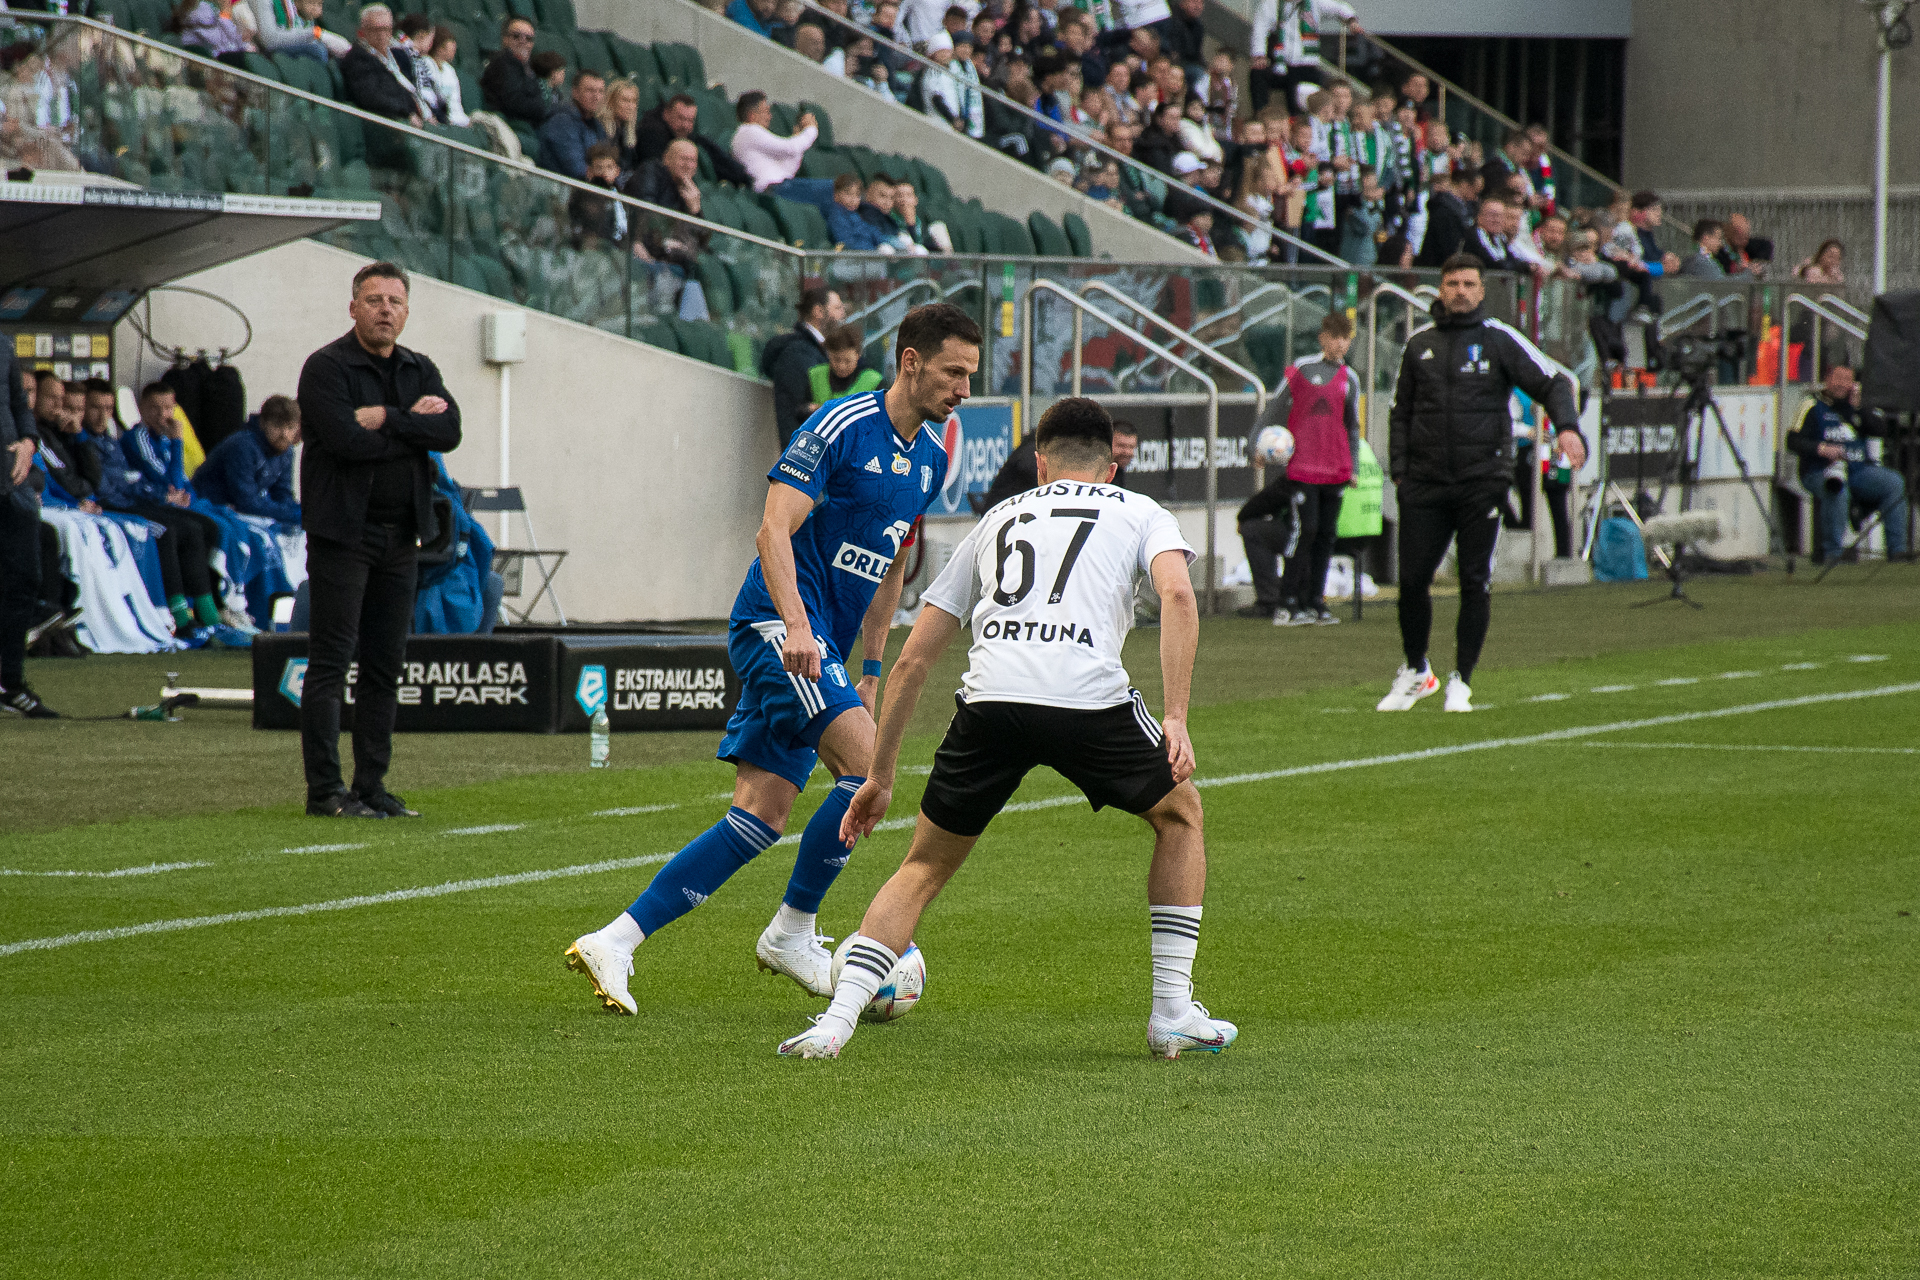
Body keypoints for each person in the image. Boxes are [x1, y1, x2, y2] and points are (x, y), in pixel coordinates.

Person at [775, 396, 1234, 1060]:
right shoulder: (1140, 511)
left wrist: (879, 776)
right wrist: (1176, 716)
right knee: (1181, 815)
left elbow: (913, 661)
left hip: (991, 703)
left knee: (922, 866)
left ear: (1040, 464)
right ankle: (1171, 1012)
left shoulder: (998, 517)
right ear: (1110, 467)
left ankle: (834, 1024)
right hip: (1089, 702)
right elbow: (1179, 593)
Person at [565, 304, 981, 1018]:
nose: (963, 390)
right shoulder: (839, 427)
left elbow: (892, 562)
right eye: (953, 372)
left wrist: (870, 670)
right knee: (867, 772)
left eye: (970, 375)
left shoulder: (933, 455)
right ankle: (792, 931)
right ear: (911, 362)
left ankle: (615, 941)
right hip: (776, 628)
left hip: (821, 645)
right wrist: (796, 626)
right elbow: (772, 529)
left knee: (761, 813)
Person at [1378, 255, 1585, 714]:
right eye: (1452, 283)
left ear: (1482, 290)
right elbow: (1399, 412)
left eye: (1469, 284)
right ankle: (1417, 670)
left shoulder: (1499, 339)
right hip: (1424, 483)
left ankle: (1462, 680)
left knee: (1474, 579)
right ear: (1440, 288)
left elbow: (1554, 383)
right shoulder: (1419, 343)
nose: (1460, 291)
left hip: (1482, 480)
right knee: (1412, 580)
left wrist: (1567, 427)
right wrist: (1400, 472)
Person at [295, 262, 462, 819]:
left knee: (384, 667)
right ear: (353, 308)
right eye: (373, 300)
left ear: (407, 311)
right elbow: (347, 442)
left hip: (401, 537)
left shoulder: (419, 367)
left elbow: (450, 431)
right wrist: (412, 427)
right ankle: (325, 792)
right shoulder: (325, 368)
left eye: (394, 301)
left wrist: (387, 417)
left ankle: (371, 787)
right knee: (330, 662)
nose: (384, 309)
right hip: (343, 535)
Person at [1261, 312, 1360, 625]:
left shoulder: (1350, 378)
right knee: (1306, 531)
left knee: (1327, 535)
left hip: (1335, 468)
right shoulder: (1303, 368)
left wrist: (1354, 466)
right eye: (1335, 337)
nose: (1340, 344)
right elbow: (1274, 408)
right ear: (1323, 338)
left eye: (1345, 338)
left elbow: (1352, 426)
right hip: (1303, 467)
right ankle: (1286, 602)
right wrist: (1256, 445)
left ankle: (1316, 601)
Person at [114, 382, 230, 634]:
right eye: (155, 408)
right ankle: (193, 610)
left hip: (171, 501)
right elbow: (171, 481)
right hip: (147, 504)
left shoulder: (164, 437)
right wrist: (177, 442)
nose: (162, 415)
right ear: (142, 409)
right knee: (195, 529)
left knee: (222, 527)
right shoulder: (138, 438)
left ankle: (217, 605)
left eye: (168, 408)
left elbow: (182, 485)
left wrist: (184, 495)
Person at [1785, 364, 1911, 563]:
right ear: (1827, 379)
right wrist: (1821, 448)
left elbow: (1880, 430)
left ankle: (1897, 551)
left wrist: (1860, 409)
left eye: (1847, 380)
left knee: (1894, 482)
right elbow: (1792, 441)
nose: (1842, 384)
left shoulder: (1856, 406)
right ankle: (1833, 553)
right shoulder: (1811, 404)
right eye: (1838, 378)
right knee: (1837, 489)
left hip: (1857, 470)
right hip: (1820, 470)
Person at [0, 351, 55, 717]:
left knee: (24, 579)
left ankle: (10, 682)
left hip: (10, 482)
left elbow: (20, 406)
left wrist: (29, 440)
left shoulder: (3, 346)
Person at [760, 287, 849, 449]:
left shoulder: (815, 351)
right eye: (837, 308)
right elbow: (795, 411)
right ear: (818, 311)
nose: (843, 314)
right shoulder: (798, 353)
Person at [194, 394, 303, 523]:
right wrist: (295, 514)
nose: (284, 434)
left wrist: (300, 513)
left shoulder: (286, 450)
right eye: (277, 426)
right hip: (208, 509)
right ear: (263, 423)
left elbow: (282, 493)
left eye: (290, 427)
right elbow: (246, 503)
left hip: (238, 512)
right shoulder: (242, 445)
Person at [1248, 0, 1358, 116]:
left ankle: (1298, 119)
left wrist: (1351, 21)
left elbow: (1340, 7)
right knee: (1258, 73)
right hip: (1281, 64)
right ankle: (1261, 115)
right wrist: (1259, 55)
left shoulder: (1315, 2)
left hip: (1306, 66)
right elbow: (1260, 29)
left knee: (1301, 95)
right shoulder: (1271, 3)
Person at [730, 91, 832, 208]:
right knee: (834, 191)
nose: (770, 116)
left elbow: (788, 170)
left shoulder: (751, 136)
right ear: (752, 115)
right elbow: (791, 147)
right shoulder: (748, 131)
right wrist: (811, 129)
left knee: (837, 195)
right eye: (766, 111)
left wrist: (797, 137)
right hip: (772, 189)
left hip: (781, 187)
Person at [339, 4, 427, 125]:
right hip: (385, 125)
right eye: (376, 30)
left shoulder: (396, 56)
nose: (381, 35)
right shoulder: (357, 59)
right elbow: (373, 97)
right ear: (362, 31)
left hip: (415, 119)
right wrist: (407, 113)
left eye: (386, 29)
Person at [481, 16, 552, 132]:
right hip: (511, 127)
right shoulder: (501, 64)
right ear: (505, 39)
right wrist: (540, 108)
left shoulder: (528, 68)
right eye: (516, 36)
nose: (522, 41)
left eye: (528, 38)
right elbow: (514, 103)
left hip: (530, 126)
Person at [535, 69, 607, 180]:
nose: (596, 97)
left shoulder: (597, 126)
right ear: (575, 93)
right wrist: (603, 174)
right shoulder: (561, 122)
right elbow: (577, 170)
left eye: (600, 91)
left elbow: (610, 164)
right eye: (590, 90)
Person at [809, 324, 884, 409]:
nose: (841, 366)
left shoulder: (874, 381)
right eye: (836, 359)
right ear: (828, 354)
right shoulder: (814, 375)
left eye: (848, 361)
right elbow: (800, 408)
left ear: (858, 355)